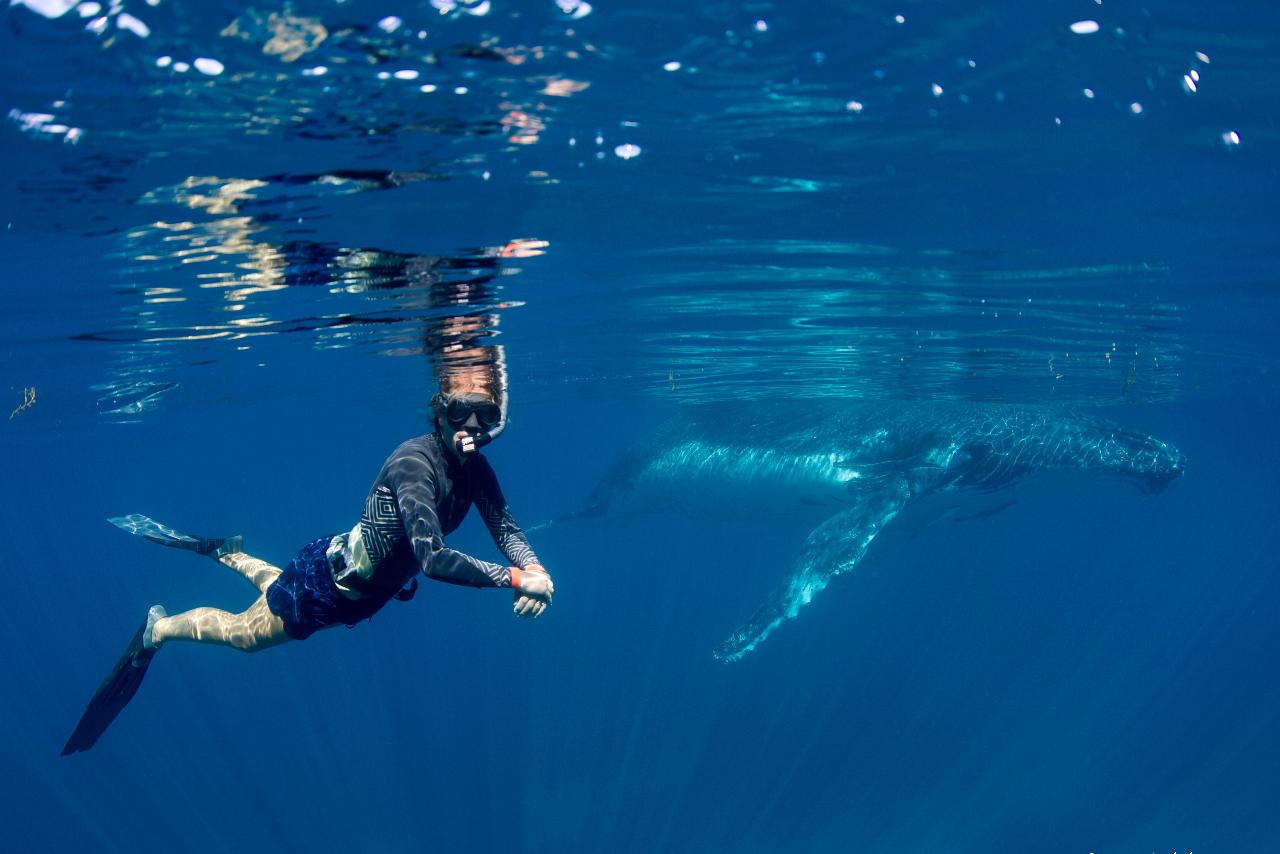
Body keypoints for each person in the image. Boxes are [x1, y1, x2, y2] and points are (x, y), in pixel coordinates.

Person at [62, 380, 552, 755]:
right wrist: (516, 578)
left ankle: (225, 552)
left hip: (348, 582)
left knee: (274, 591)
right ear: (439, 411)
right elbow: (433, 558)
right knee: (245, 635)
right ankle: (158, 629)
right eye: (460, 411)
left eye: (486, 414)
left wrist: (535, 568)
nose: (472, 425)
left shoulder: (475, 470)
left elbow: (504, 525)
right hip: (328, 588)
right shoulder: (415, 465)